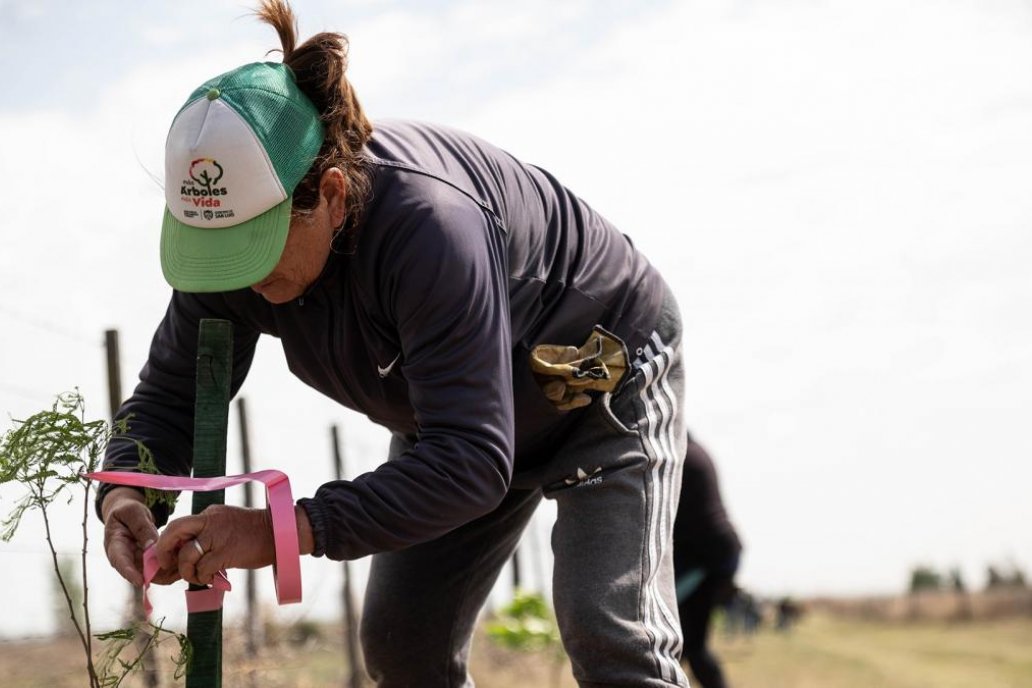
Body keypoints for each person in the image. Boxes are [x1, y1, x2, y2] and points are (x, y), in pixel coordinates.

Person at [97, 2, 690, 686]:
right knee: (404, 648)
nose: (243, 278)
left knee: (610, 635)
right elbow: (170, 396)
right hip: (456, 423)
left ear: (331, 193)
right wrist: (126, 493)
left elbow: (470, 458)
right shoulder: (230, 260)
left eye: (256, 247)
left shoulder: (430, 230)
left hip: (597, 377)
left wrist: (278, 532)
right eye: (221, 252)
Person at [672, 434, 742, 688]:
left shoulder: (680, 455)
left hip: (706, 559)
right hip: (714, 555)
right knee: (686, 643)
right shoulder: (692, 450)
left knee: (682, 643)